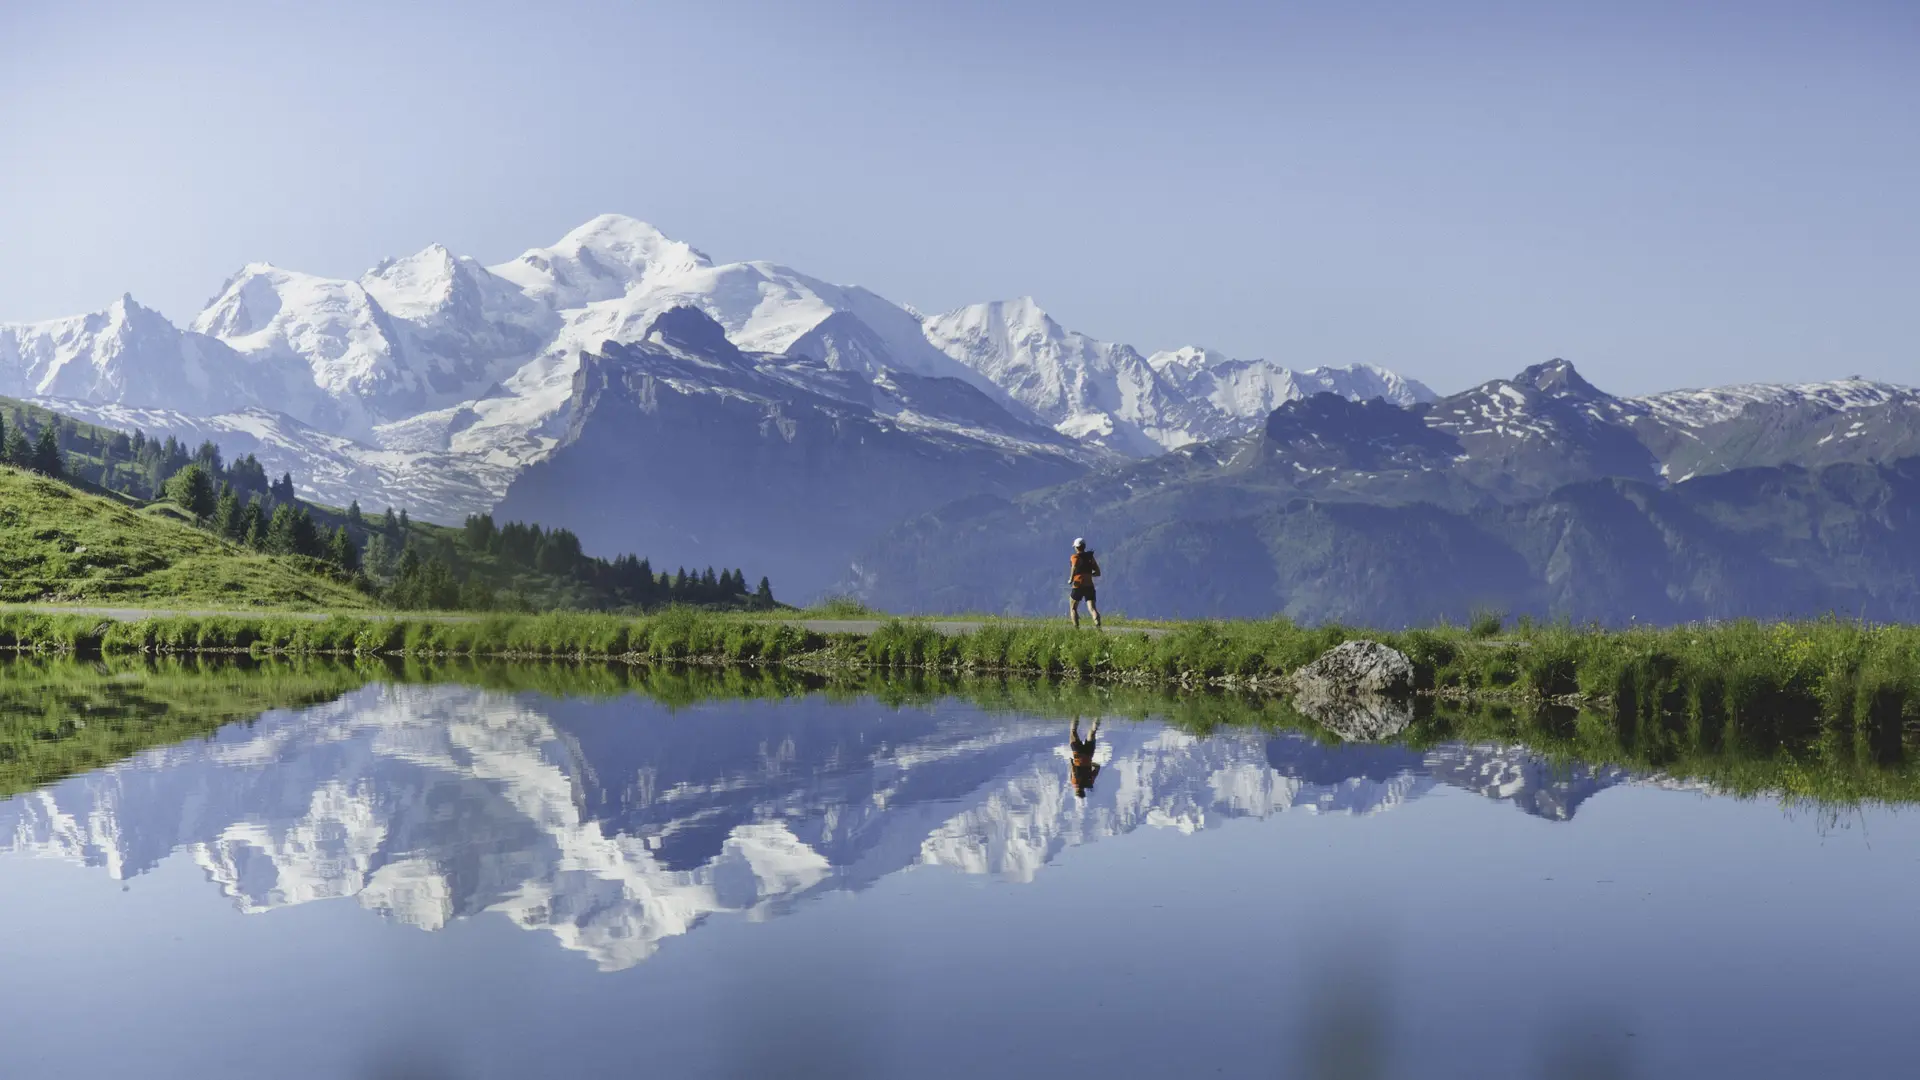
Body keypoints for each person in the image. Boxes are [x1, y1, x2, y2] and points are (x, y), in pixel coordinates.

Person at [1068, 537, 1102, 629]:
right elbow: (1098, 572)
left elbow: (1074, 567)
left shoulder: (1074, 557)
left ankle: (1076, 628)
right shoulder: (1090, 557)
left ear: (1076, 547)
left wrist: (1071, 579)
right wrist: (1089, 575)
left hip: (1078, 585)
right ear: (1084, 546)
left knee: (1073, 608)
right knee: (1092, 608)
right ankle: (1098, 626)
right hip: (1089, 585)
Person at [1067, 717, 1102, 798]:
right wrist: (1071, 762)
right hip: (1077, 753)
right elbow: (1074, 771)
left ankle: (1098, 715)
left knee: (1093, 732)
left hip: (1088, 754)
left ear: (1083, 791)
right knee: (1073, 731)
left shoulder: (1089, 782)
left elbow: (1097, 767)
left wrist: (1089, 763)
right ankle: (1076, 710)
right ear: (1076, 791)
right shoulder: (1075, 782)